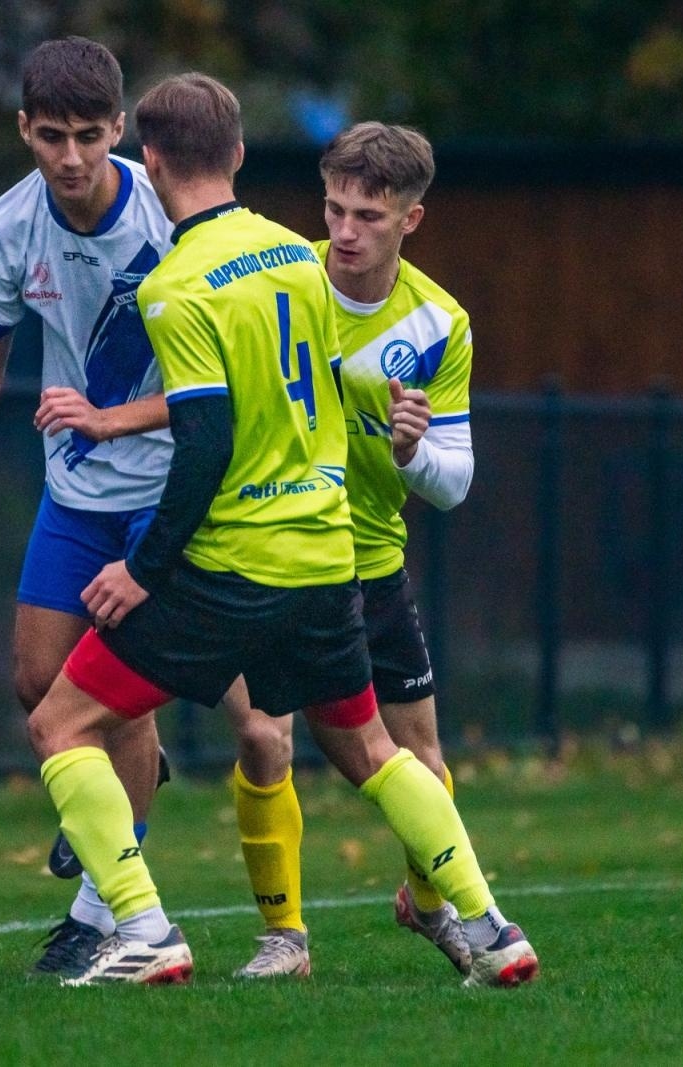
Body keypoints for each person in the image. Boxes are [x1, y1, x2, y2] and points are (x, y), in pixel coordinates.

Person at [25, 72, 537, 989]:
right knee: (377, 751)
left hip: (231, 565)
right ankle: (491, 926)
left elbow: (208, 438)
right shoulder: (297, 262)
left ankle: (143, 925)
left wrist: (144, 567)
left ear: (148, 162)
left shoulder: (177, 286)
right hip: (327, 558)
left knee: (63, 719)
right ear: (240, 157)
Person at [0, 36, 201, 977]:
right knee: (39, 682)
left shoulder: (175, 217)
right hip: (75, 489)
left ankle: (103, 905)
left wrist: (114, 417)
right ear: (24, 129)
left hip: (166, 490)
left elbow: (223, 378)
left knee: (109, 692)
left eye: (90, 137)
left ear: (123, 134)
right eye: (52, 137)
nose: (70, 159)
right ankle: (124, 797)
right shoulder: (5, 228)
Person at [221, 122, 482, 978]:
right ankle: (284, 937)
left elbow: (456, 481)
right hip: (270, 550)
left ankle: (431, 904)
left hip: (370, 562)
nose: (343, 230)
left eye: (368, 214)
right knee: (264, 738)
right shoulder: (281, 281)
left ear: (413, 219)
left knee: (424, 766)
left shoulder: (440, 322)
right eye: (333, 207)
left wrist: (413, 452)